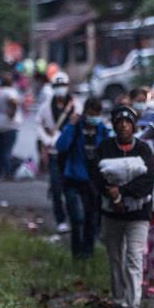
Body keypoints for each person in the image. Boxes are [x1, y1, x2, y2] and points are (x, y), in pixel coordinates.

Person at [95, 106, 154, 308]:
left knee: (133, 258)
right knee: (115, 259)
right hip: (111, 214)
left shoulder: (143, 150)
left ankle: (133, 306)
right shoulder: (104, 148)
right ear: (114, 125)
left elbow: (147, 182)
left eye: (128, 122)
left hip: (138, 215)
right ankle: (119, 302)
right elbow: (96, 178)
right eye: (119, 122)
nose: (123, 125)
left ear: (133, 125)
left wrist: (120, 191)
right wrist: (111, 196)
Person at [55, 97, 109, 260]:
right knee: (77, 218)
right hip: (73, 180)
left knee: (91, 219)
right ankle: (76, 254)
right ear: (85, 113)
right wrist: (71, 125)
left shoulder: (102, 130)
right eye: (91, 113)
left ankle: (88, 254)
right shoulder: (75, 127)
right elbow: (61, 146)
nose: (94, 117)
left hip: (93, 182)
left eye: (97, 113)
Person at [38, 72, 83, 233]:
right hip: (53, 151)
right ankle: (60, 219)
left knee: (72, 187)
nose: (60, 89)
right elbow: (39, 125)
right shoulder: (45, 107)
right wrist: (46, 141)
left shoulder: (76, 105)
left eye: (62, 86)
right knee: (56, 187)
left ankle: (75, 217)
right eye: (57, 86)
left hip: (71, 152)